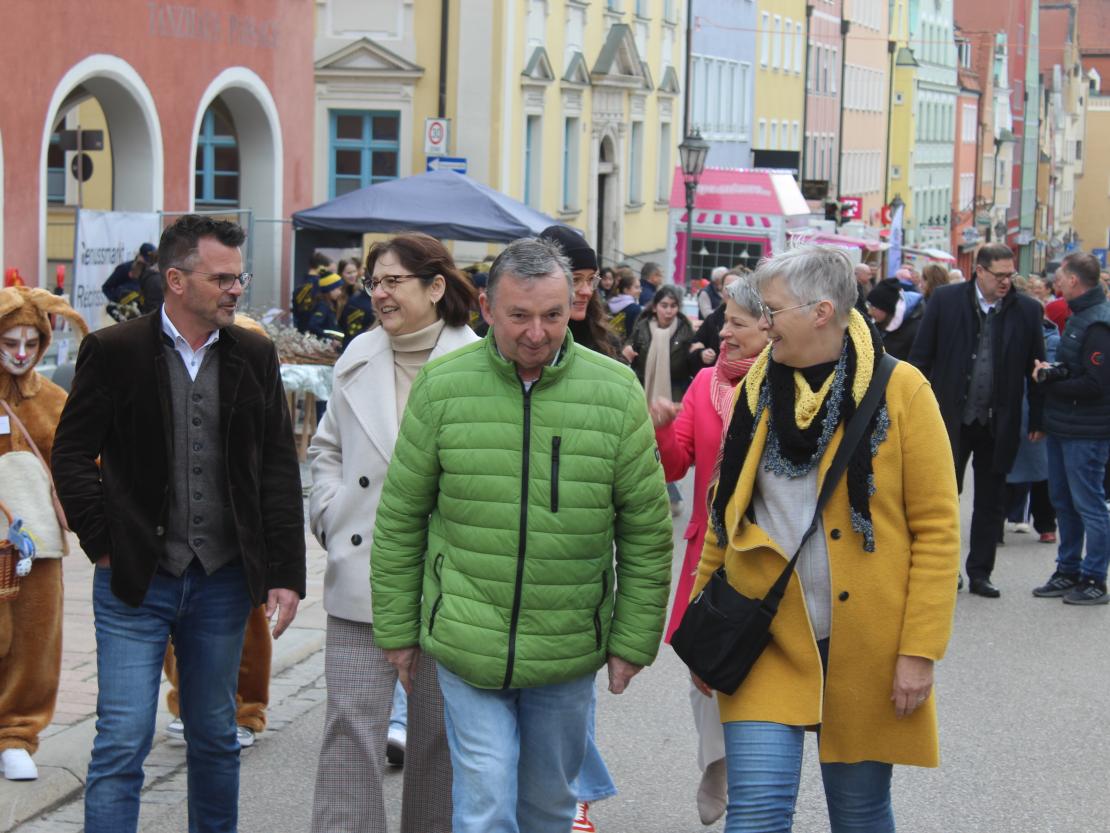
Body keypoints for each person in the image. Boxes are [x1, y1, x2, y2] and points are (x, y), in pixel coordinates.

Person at [369, 237, 673, 833]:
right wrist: (398, 631)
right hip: (467, 642)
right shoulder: (444, 386)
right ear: (485, 308)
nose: (538, 332)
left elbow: (645, 530)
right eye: (520, 315)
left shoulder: (614, 392)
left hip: (565, 648)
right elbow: (402, 516)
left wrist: (632, 641)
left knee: (548, 808)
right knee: (483, 805)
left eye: (554, 315)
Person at [51, 214, 306, 833]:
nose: (235, 288)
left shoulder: (253, 352)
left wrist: (285, 573)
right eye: (221, 277)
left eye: (237, 276)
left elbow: (275, 465)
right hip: (135, 579)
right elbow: (71, 452)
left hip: (221, 580)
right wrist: (103, 540)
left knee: (216, 735)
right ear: (176, 280)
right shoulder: (115, 351)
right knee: (122, 741)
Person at [696, 243, 959, 832]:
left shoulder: (901, 389)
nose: (761, 325)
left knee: (860, 813)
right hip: (763, 635)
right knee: (757, 815)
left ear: (820, 312)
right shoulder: (756, 389)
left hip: (865, 642)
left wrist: (919, 652)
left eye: (771, 311)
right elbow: (726, 513)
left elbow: (938, 531)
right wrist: (700, 613)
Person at [309, 232, 477, 833]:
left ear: (435, 287)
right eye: (373, 282)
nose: (378, 293)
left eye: (392, 281)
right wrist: (328, 511)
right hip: (363, 570)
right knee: (350, 727)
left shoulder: (478, 362)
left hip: (446, 579)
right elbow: (325, 450)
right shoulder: (358, 353)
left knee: (436, 739)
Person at [649, 277, 767, 826]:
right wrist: (664, 429)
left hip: (772, 554)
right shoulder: (704, 383)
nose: (723, 333)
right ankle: (716, 760)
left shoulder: (794, 387)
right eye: (724, 320)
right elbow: (677, 465)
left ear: (772, 327)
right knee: (705, 669)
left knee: (761, 673)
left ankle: (750, 781)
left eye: (738, 323)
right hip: (708, 554)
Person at [536, 225, 620, 832]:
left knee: (572, 687)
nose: (586, 289)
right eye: (578, 277)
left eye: (591, 279)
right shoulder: (517, 342)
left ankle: (575, 797)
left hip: (582, 552)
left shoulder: (606, 357)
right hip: (511, 540)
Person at [909, 242, 1046, 596]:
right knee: (943, 498)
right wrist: (912, 410)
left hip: (998, 420)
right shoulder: (946, 300)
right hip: (949, 418)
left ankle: (981, 573)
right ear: (980, 271)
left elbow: (1037, 368)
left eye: (1010, 275)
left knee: (990, 501)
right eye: (999, 275)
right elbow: (921, 358)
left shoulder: (1027, 311)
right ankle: (945, 569)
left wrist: (1037, 419)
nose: (1006, 282)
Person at [0, 287, 87, 782]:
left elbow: (77, 466)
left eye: (31, 344)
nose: (20, 353)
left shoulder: (53, 400)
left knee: (35, 639)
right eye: (10, 342)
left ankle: (16, 732)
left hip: (36, 547)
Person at [1031, 252, 1110, 605]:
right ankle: (1068, 570)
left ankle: (1094, 577)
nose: (1056, 283)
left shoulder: (1097, 324)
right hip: (1065, 425)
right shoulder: (1080, 316)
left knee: (1088, 504)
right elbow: (1077, 369)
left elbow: (1096, 384)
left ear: (1074, 281)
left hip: (1087, 431)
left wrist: (1048, 381)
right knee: (1063, 502)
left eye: (1060, 277)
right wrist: (1056, 370)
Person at [538, 225, 620, 360]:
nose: (587, 291)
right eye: (575, 280)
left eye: (591, 279)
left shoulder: (605, 340)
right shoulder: (528, 342)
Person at [866, 277, 923, 360]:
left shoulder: (914, 330)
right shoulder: (878, 325)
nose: (869, 312)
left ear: (886, 309)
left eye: (873, 307)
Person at [335, 258, 376, 351]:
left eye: (354, 272)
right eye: (349, 273)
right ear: (341, 274)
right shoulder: (336, 293)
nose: (352, 275)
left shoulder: (360, 291)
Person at [293, 251, 334, 333]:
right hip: (318, 332)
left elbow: (295, 312)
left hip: (300, 331)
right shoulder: (321, 286)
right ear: (321, 267)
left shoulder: (299, 286)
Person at [307, 272, 345, 342]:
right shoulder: (323, 306)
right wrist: (330, 338)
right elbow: (313, 325)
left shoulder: (330, 304)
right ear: (329, 289)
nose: (340, 292)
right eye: (337, 289)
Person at [607, 269, 642, 342]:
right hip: (625, 348)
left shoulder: (609, 303)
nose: (640, 291)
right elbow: (634, 334)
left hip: (607, 343)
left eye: (640, 287)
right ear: (626, 290)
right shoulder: (635, 309)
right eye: (636, 287)